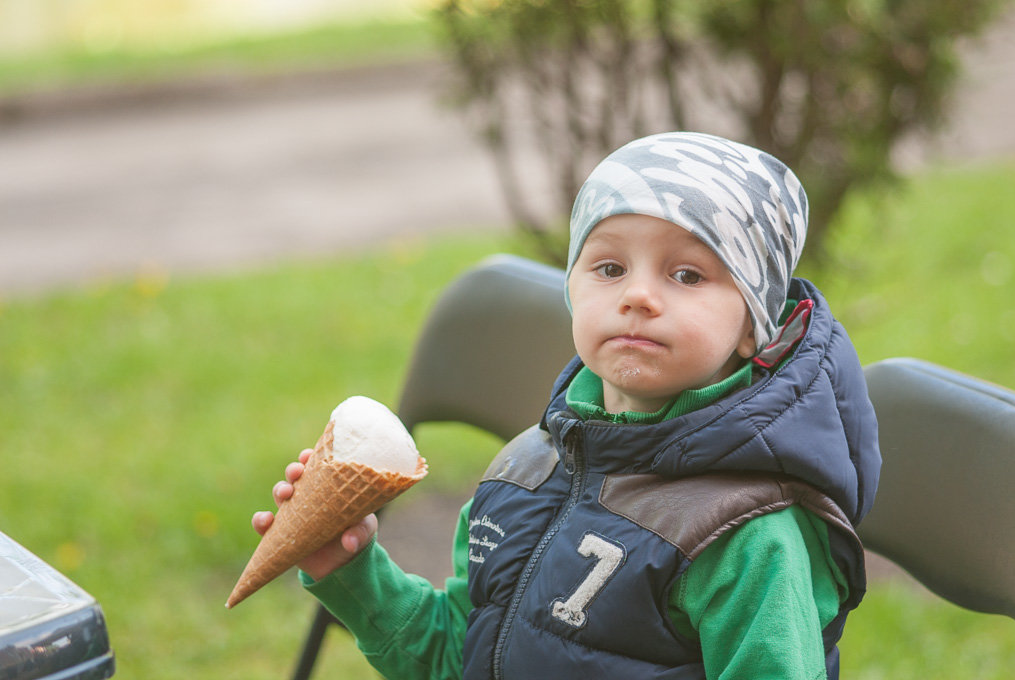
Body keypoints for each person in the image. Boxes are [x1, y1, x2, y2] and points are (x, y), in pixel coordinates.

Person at [253, 131, 882, 679]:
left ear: (754, 326)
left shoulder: (745, 538)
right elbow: (457, 658)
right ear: (572, 293)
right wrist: (348, 570)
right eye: (608, 267)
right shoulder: (523, 473)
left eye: (687, 275)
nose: (638, 295)